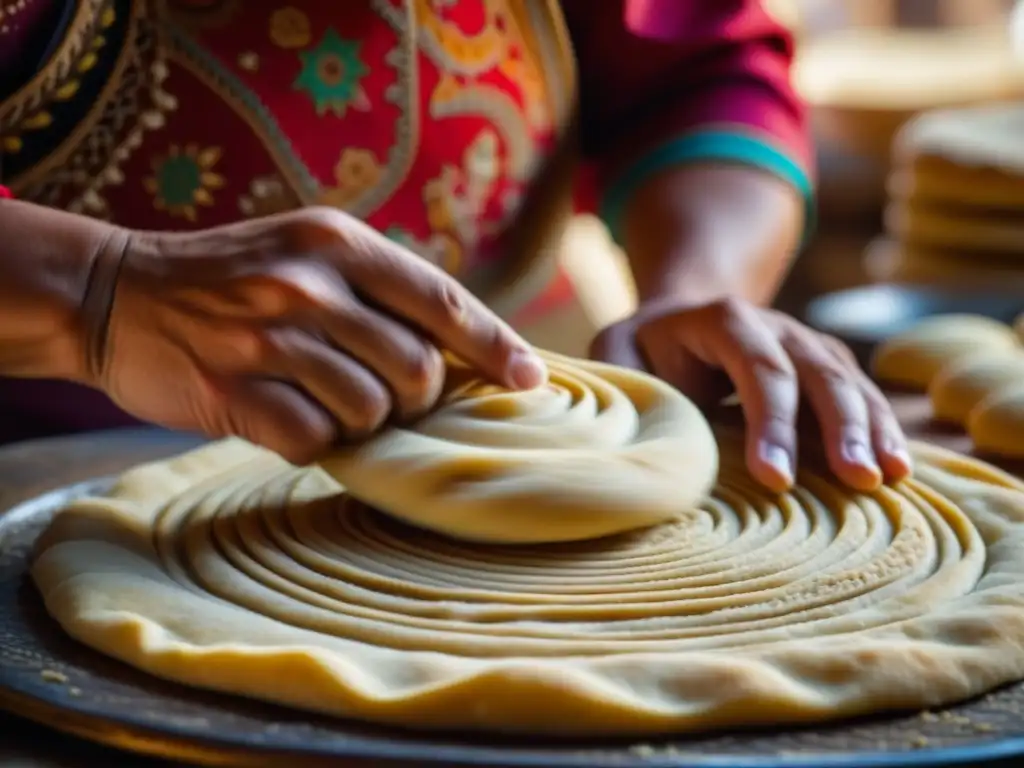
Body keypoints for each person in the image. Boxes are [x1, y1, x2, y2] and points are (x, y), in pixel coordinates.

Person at [0, 0, 910, 493]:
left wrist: (696, 288)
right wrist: (98, 293)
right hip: (39, 470)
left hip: (531, 417)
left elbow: (695, 67)